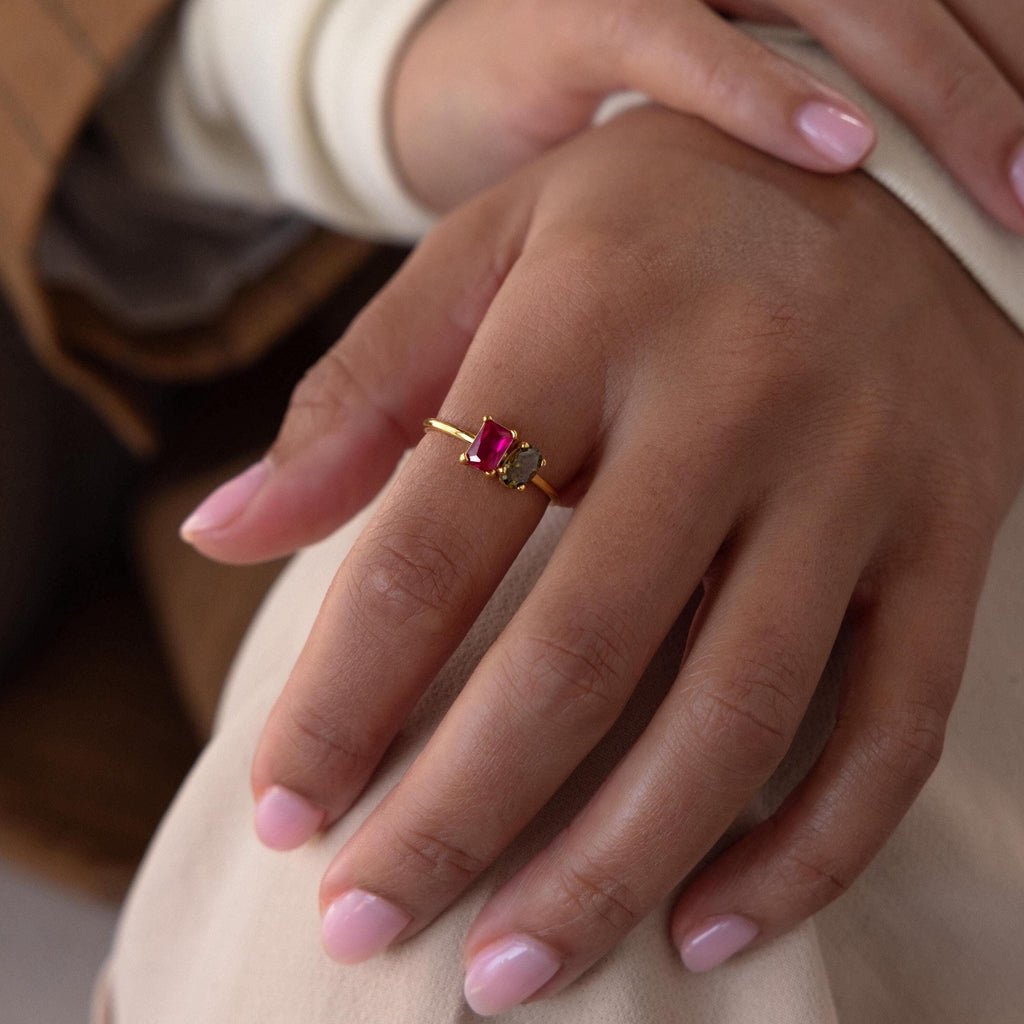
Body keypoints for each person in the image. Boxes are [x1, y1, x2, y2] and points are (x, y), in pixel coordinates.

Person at [1, 0, 1022, 1020]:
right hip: (150, 147)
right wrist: (350, 54)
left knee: (492, 857)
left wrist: (920, 189)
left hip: (797, 213)